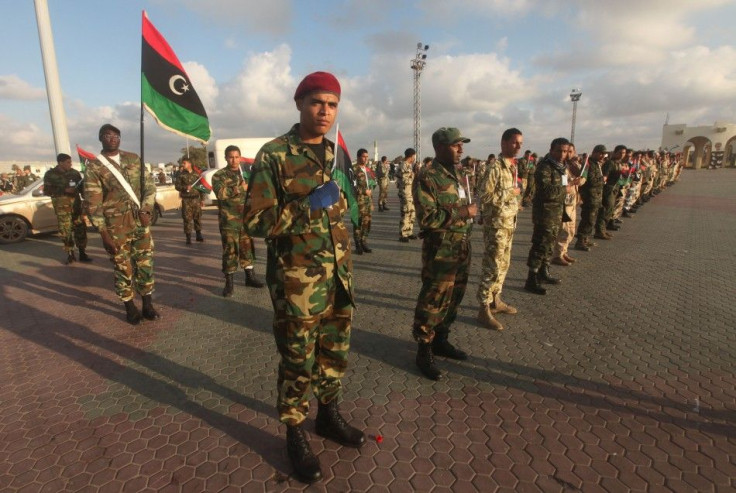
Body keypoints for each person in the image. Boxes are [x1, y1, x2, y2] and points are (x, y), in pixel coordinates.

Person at [242, 71, 365, 484]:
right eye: (317, 102)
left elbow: (346, 208)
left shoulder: (337, 155)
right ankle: (294, 431)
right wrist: (309, 205)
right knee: (298, 361)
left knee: (334, 353)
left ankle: (328, 415)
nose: (325, 111)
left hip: (339, 279)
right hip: (298, 286)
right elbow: (256, 222)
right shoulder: (275, 155)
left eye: (332, 104)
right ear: (299, 104)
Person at [412, 127, 477, 381]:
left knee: (455, 297)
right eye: (455, 145)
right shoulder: (427, 177)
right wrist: (464, 213)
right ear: (439, 147)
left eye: (462, 144)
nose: (461, 149)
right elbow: (428, 218)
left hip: (461, 246)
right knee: (433, 300)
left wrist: (469, 216)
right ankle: (424, 349)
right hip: (441, 250)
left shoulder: (459, 174)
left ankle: (441, 339)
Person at [84, 123, 160, 325]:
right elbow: (93, 203)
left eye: (116, 135)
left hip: (139, 223)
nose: (113, 138)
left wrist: (146, 209)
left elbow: (149, 187)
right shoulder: (94, 166)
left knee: (145, 264)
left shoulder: (133, 158)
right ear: (101, 138)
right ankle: (130, 307)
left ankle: (147, 305)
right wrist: (103, 233)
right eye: (108, 135)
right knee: (122, 268)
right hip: (115, 228)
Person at [476, 128, 523, 331]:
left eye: (520, 142)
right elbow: (484, 197)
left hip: (508, 223)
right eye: (514, 142)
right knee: (492, 266)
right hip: (496, 225)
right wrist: (509, 192)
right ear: (503, 143)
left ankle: (496, 300)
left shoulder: (513, 167)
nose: (519, 146)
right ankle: (483, 308)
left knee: (504, 265)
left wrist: (515, 198)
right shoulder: (494, 167)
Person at [212, 146, 264, 297]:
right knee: (230, 251)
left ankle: (250, 277)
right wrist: (239, 189)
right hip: (229, 221)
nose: (234, 160)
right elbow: (221, 194)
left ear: (240, 157)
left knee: (247, 248)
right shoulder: (219, 175)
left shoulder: (247, 173)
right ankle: (229, 283)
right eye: (230, 157)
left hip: (246, 219)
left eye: (236, 157)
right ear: (226, 158)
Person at [524, 137, 573, 295]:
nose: (562, 154)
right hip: (545, 213)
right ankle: (532, 279)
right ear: (551, 150)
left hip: (557, 213)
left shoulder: (560, 167)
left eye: (565, 151)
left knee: (550, 244)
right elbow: (546, 191)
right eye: (559, 150)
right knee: (540, 246)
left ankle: (544, 272)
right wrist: (566, 189)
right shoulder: (545, 167)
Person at [43, 153, 91, 264]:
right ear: (60, 163)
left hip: (76, 207)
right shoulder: (50, 174)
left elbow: (81, 188)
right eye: (68, 162)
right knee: (65, 231)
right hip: (62, 209)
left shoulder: (74, 173)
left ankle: (82, 252)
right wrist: (64, 190)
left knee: (80, 229)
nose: (70, 164)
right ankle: (70, 254)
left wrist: (86, 200)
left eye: (71, 162)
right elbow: (46, 191)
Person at [551, 144, 585, 266]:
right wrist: (572, 182)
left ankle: (564, 251)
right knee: (564, 230)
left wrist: (581, 179)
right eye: (566, 152)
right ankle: (557, 254)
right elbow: (563, 185)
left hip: (572, 201)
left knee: (571, 230)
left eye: (571, 152)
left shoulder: (573, 166)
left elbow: (583, 178)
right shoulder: (560, 167)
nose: (568, 154)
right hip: (564, 202)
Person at [575, 145, 606, 251]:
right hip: (589, 197)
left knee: (591, 220)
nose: (602, 156)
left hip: (596, 197)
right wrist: (602, 180)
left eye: (603, 154)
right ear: (594, 152)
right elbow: (591, 181)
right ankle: (580, 241)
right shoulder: (589, 164)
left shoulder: (597, 164)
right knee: (587, 220)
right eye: (600, 153)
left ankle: (586, 239)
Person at [174, 157, 205, 244]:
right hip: (186, 200)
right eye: (182, 163)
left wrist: (202, 199)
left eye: (184, 163)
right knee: (187, 219)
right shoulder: (181, 175)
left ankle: (199, 234)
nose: (182, 165)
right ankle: (188, 237)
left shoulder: (197, 174)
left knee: (197, 217)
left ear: (189, 164)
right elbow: (177, 186)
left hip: (196, 199)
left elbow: (201, 188)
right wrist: (185, 187)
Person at [353, 148, 373, 254]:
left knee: (367, 223)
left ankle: (364, 242)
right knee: (358, 223)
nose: (365, 159)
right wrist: (364, 191)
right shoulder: (354, 170)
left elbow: (370, 185)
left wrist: (371, 201)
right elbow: (351, 186)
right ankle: (358, 245)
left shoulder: (367, 170)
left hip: (368, 201)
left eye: (367, 156)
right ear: (358, 157)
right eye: (363, 156)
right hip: (358, 201)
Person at [397, 148, 417, 242]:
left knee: (411, 213)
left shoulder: (408, 165)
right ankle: (403, 234)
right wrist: (414, 176)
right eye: (414, 155)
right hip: (405, 193)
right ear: (412, 156)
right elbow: (405, 181)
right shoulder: (403, 165)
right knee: (406, 213)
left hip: (410, 193)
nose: (415, 157)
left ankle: (409, 231)